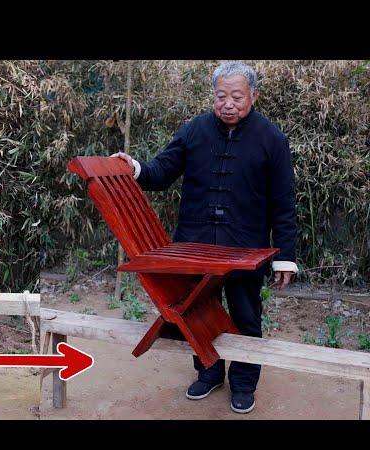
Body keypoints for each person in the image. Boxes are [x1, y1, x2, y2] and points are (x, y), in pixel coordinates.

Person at [112, 61, 297, 414]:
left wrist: (285, 254)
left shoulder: (272, 139)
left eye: (236, 96)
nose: (228, 103)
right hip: (194, 246)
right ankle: (209, 371)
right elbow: (161, 171)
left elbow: (284, 203)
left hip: (245, 248)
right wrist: (134, 168)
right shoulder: (195, 130)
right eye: (221, 95)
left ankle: (243, 384)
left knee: (245, 317)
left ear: (253, 96)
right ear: (213, 96)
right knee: (196, 312)